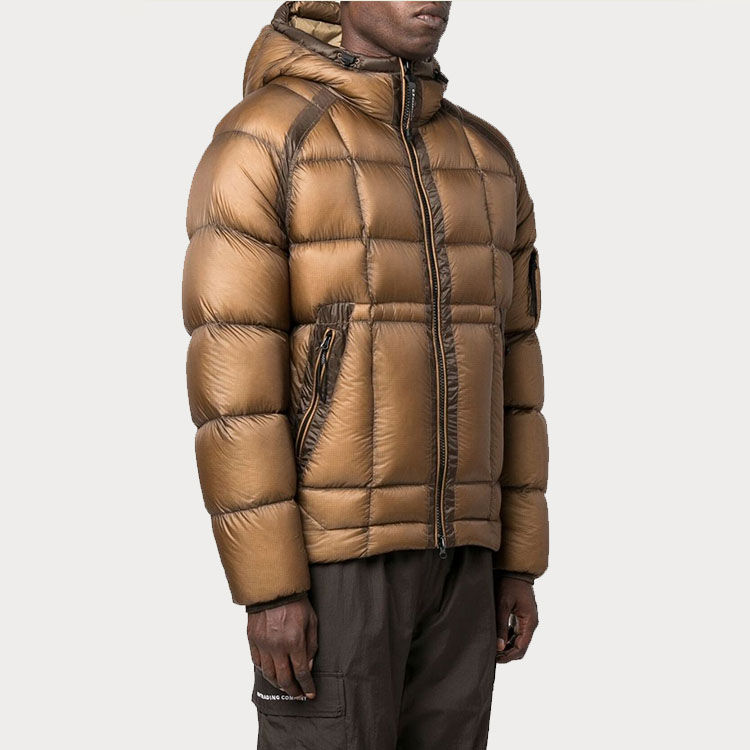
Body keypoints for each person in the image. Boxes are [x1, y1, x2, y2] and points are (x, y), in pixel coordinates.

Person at [181, 2, 549, 747]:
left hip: (464, 557)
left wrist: (518, 559)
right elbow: (233, 388)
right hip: (333, 561)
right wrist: (270, 587)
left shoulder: (487, 157)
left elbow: (518, 374)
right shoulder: (266, 140)